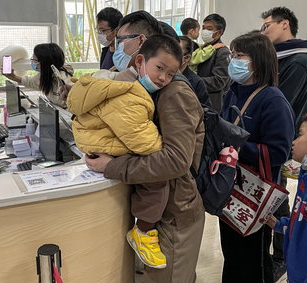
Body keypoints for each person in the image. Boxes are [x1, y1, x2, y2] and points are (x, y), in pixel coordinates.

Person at [85, 10, 205, 283]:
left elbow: (176, 161)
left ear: (140, 42)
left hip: (174, 214)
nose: (115, 45)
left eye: (121, 38)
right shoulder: (143, 87)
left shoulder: (174, 93)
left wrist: (112, 166)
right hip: (155, 210)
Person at [68, 34, 182, 269]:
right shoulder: (129, 94)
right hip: (108, 145)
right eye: (159, 68)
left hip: (100, 140)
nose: (163, 78)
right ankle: (143, 231)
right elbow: (145, 143)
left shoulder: (116, 82)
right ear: (140, 61)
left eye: (170, 74)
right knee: (156, 180)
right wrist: (165, 142)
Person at [219, 32, 295, 283]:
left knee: (253, 259)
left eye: (240, 56)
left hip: (255, 192)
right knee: (231, 253)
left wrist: (238, 148)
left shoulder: (273, 100)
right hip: (229, 187)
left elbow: (279, 152)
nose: (234, 61)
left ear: (258, 61)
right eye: (233, 55)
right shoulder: (233, 91)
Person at [260, 7, 307, 279]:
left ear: (285, 24)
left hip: (281, 137)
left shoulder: (298, 60)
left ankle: (282, 255)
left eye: (267, 26)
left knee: (277, 194)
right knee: (274, 193)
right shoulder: (283, 57)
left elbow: (279, 101)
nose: (264, 32)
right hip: (275, 135)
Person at [266, 111, 307, 283]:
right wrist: (277, 223)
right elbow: (304, 224)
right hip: (297, 272)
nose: (293, 142)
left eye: (300, 135)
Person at [3, 43, 74, 108]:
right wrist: (14, 77)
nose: (32, 62)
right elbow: (32, 81)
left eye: (35, 60)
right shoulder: (47, 75)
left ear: (44, 63)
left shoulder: (64, 79)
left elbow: (74, 105)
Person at [197, 13, 231, 112]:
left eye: (209, 28)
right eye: (203, 28)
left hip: (211, 104)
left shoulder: (222, 52)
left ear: (219, 32)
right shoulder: (202, 49)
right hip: (198, 99)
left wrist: (195, 81)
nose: (204, 31)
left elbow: (219, 81)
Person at [179, 36, 211, 105]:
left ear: (186, 58)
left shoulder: (196, 82)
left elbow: (206, 111)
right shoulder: (165, 76)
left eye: (176, 52)